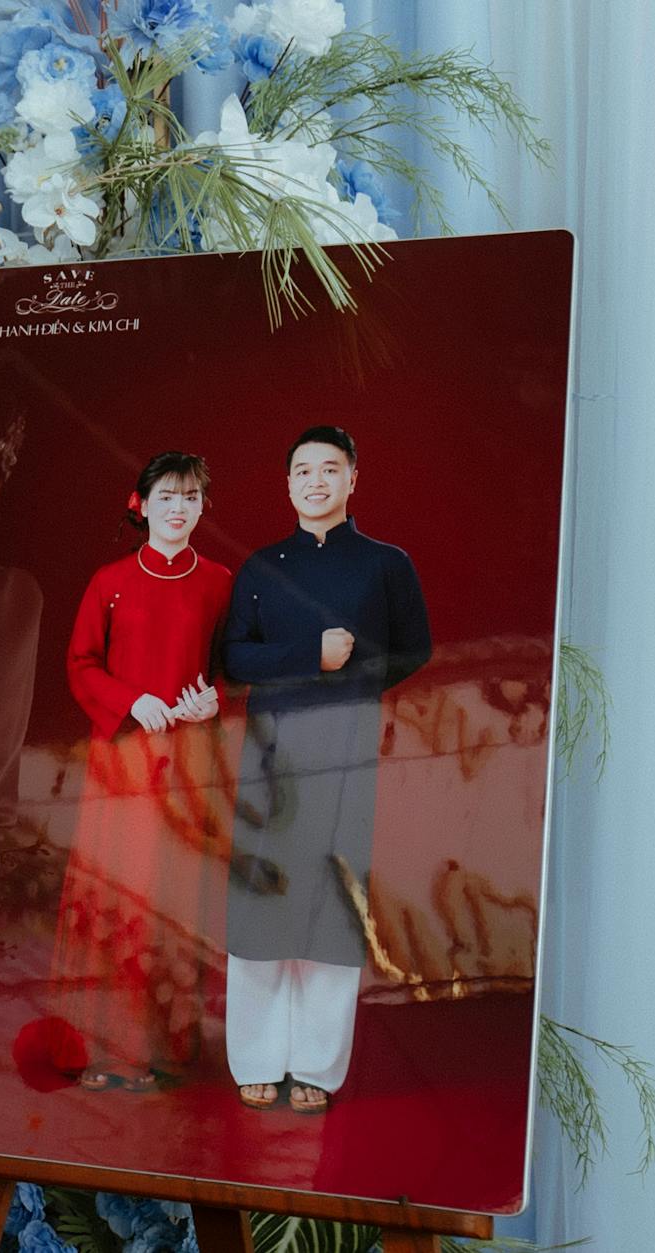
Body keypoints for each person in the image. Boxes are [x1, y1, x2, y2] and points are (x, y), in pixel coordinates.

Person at [222, 425, 431, 1114]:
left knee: (332, 903)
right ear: (288, 485)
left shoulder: (386, 564)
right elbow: (235, 659)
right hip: (270, 751)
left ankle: (316, 1064)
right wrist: (313, 654)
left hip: (345, 746)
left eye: (330, 469)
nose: (316, 481)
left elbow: (414, 649)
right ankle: (254, 1056)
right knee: (263, 901)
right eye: (303, 471)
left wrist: (353, 685)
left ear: (352, 479)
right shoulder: (260, 566)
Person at [51, 452, 234, 1090]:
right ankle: (104, 1048)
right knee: (117, 888)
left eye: (190, 497)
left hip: (192, 761)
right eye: (166, 496)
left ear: (202, 508)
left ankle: (169, 1046)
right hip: (123, 761)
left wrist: (216, 696)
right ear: (141, 504)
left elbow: (231, 664)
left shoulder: (219, 581)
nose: (177, 508)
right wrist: (133, 700)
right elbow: (80, 665)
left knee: (177, 897)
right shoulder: (110, 580)